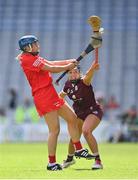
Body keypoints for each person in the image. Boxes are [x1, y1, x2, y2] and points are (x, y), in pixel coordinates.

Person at [17, 35, 93, 171]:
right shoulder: (27, 59)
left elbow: (52, 63)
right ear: (27, 47)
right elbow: (50, 68)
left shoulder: (33, 57)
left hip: (50, 92)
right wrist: (67, 66)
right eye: (35, 44)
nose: (37, 45)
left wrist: (69, 62)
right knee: (54, 130)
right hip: (43, 95)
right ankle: (51, 163)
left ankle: (78, 149)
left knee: (72, 118)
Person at [59, 60, 103, 170]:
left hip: (93, 111)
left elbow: (89, 74)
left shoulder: (85, 81)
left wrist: (93, 67)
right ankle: (69, 159)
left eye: (75, 72)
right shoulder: (67, 85)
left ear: (79, 73)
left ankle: (98, 160)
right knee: (74, 137)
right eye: (70, 73)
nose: (73, 74)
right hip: (79, 113)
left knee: (86, 131)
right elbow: (61, 96)